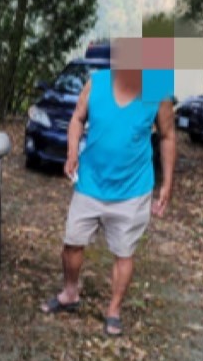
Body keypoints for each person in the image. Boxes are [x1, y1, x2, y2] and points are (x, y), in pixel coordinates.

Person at [39, 38, 176, 337]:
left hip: (133, 189)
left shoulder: (157, 93)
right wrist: (72, 153)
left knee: (123, 252)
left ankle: (113, 310)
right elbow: (77, 119)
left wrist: (167, 183)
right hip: (90, 183)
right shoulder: (96, 84)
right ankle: (70, 292)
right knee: (72, 242)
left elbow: (167, 136)